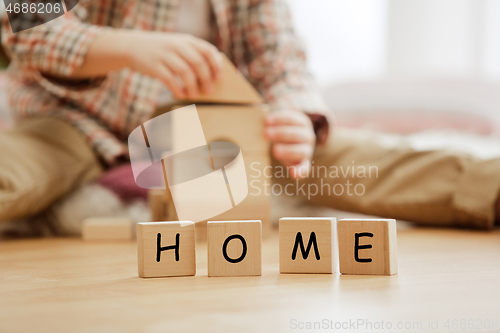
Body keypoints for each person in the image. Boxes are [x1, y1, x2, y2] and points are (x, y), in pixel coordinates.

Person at [1, 0, 499, 230]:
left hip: (204, 133)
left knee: (357, 159)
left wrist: (295, 117)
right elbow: (21, 17)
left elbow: (279, 57)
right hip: (72, 121)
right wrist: (120, 46)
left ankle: (489, 187)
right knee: (18, 167)